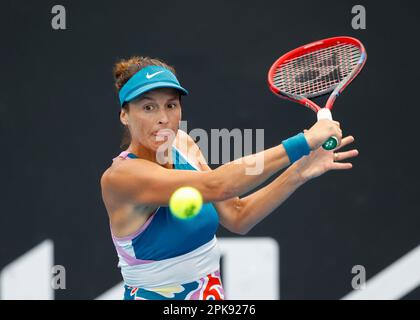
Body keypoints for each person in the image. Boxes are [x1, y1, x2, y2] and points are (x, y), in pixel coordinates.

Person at [100, 56, 358, 300]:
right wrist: (302, 143)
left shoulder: (182, 143)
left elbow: (237, 216)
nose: (163, 118)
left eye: (171, 105)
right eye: (148, 107)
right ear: (125, 115)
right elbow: (218, 185)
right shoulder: (121, 177)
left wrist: (298, 171)